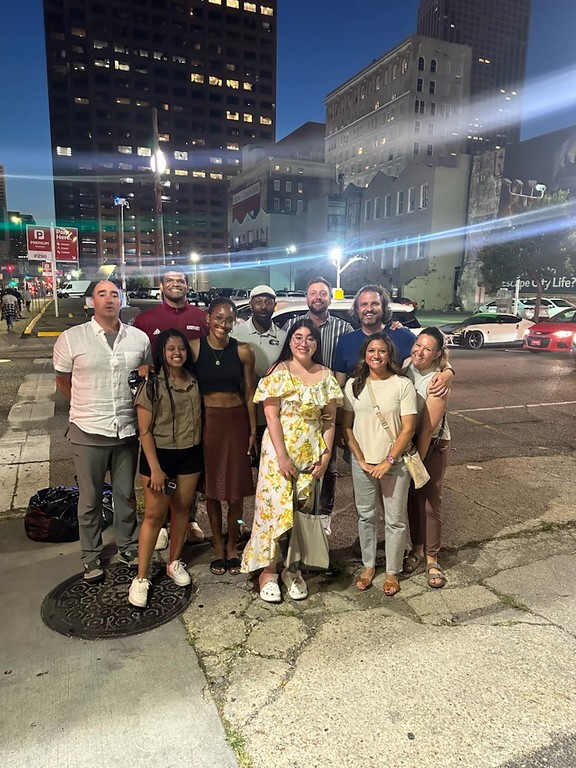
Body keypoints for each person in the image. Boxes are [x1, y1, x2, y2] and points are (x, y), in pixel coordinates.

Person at [53, 281, 152, 582]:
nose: (109, 299)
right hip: (88, 430)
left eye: (114, 294)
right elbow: (63, 380)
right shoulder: (72, 339)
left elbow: (145, 376)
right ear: (90, 302)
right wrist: (85, 406)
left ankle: (128, 545)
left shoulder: (139, 339)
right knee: (90, 499)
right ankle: (91, 556)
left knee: (125, 495)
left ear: (121, 301)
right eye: (102, 294)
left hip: (126, 430)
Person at [241, 319, 342, 603]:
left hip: (311, 451)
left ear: (317, 344)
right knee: (274, 511)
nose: (303, 343)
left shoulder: (326, 375)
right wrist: (282, 456)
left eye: (310, 338)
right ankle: (268, 571)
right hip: (278, 452)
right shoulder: (279, 371)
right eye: (298, 337)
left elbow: (330, 420)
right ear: (290, 341)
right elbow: (270, 416)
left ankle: (292, 568)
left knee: (299, 513)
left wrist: (325, 455)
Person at [128, 329, 203, 607]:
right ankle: (142, 577)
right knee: (153, 516)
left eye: (181, 348)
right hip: (158, 456)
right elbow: (144, 432)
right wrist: (156, 469)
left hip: (190, 454)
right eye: (170, 348)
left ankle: (174, 562)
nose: (176, 353)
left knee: (182, 509)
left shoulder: (194, 380)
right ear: (161, 351)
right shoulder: (151, 384)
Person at [133, 268, 208, 545]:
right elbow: (139, 358)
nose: (176, 284)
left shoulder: (200, 318)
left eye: (181, 280)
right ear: (161, 285)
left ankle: (189, 518)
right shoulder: (146, 319)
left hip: (191, 393)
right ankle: (162, 523)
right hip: (161, 398)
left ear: (188, 286)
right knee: (161, 461)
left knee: (190, 464)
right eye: (170, 280)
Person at [342, 333, 417, 596]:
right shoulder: (353, 385)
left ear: (390, 355)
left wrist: (388, 460)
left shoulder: (402, 385)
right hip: (362, 462)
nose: (376, 355)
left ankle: (392, 571)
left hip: (394, 463)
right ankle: (368, 565)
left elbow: (408, 428)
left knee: (395, 519)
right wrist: (359, 458)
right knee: (366, 515)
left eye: (382, 351)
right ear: (365, 355)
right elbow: (346, 427)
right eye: (371, 350)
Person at [189, 298, 256, 576]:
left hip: (237, 422)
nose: (223, 324)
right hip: (208, 424)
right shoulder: (193, 349)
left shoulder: (243, 351)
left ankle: (233, 540)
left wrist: (253, 430)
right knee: (214, 492)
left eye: (229, 320)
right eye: (218, 317)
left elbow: (251, 393)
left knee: (237, 493)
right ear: (208, 317)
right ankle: (217, 544)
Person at [282, 277, 354, 534]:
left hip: (328, 403)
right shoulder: (292, 324)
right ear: (307, 298)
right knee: (293, 466)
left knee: (328, 465)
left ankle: (323, 515)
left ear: (329, 298)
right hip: (296, 407)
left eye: (323, 293)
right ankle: (292, 517)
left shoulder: (343, 328)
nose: (318, 297)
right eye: (313, 293)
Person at [334, 285, 454, 395]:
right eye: (364, 304)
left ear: (384, 308)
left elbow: (433, 355)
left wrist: (448, 372)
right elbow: (340, 383)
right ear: (357, 309)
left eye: (375, 304)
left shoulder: (402, 336)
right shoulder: (346, 341)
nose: (369, 309)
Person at [402, 327, 451, 589]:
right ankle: (417, 549)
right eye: (418, 345)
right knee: (412, 498)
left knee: (430, 501)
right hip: (411, 444)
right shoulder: (407, 364)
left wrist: (416, 464)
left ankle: (432, 557)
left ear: (437, 354)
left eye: (427, 349)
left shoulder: (437, 381)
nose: (420, 352)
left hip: (431, 445)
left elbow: (428, 428)